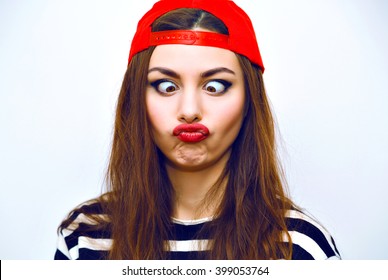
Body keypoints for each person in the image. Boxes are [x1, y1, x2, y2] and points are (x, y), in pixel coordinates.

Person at [54, 0, 340, 260]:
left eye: (215, 86)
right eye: (166, 86)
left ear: (249, 102)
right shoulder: (84, 237)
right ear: (135, 99)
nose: (189, 110)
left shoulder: (300, 246)